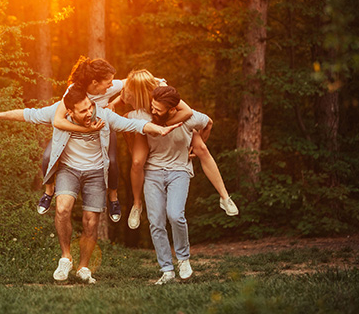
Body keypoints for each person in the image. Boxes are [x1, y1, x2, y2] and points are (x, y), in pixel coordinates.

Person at [0, 86, 180, 283]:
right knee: (62, 209)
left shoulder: (103, 115)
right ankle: (65, 258)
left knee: (90, 222)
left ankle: (83, 267)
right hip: (68, 170)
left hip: (96, 172)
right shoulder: (57, 112)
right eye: (83, 111)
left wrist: (159, 129)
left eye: (90, 106)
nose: (90, 112)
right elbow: (28, 114)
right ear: (70, 111)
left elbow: (135, 125)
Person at [121, 70, 238, 231]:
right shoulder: (133, 97)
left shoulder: (162, 89)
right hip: (147, 122)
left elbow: (188, 112)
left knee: (202, 149)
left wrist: (191, 147)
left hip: (173, 120)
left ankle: (224, 196)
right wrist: (131, 145)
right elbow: (123, 121)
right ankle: (136, 204)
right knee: (137, 162)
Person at [38, 56, 128, 223]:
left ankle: (113, 197)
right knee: (47, 156)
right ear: (95, 82)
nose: (111, 84)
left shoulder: (108, 86)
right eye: (108, 81)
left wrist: (115, 103)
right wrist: (85, 129)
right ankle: (49, 191)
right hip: (78, 128)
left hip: (102, 128)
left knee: (113, 161)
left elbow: (130, 82)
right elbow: (58, 120)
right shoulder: (74, 90)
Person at [140, 85, 213, 284]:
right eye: (152, 106)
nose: (153, 111)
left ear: (172, 110)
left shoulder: (189, 118)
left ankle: (183, 259)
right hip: (153, 172)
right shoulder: (145, 116)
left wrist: (196, 149)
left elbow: (208, 123)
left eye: (158, 109)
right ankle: (167, 270)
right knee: (156, 221)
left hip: (179, 171)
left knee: (175, 214)